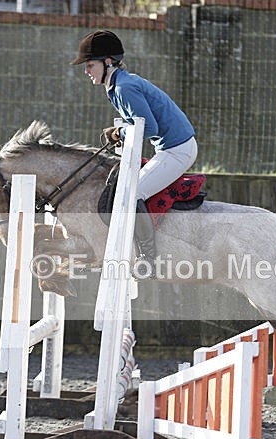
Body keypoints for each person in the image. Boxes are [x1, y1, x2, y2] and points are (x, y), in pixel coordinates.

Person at [71, 29, 197, 277]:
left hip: (177, 151)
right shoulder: (118, 84)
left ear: (108, 62)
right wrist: (120, 130)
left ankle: (148, 258)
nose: (86, 71)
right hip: (169, 148)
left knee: (132, 193)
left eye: (90, 65)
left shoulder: (124, 87)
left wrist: (119, 133)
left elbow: (148, 128)